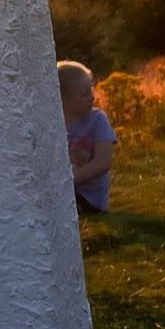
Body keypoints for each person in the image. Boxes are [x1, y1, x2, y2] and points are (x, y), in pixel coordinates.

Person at [58, 61, 117, 215]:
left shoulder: (98, 120)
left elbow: (103, 163)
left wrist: (69, 181)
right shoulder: (53, 124)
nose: (92, 97)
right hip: (61, 193)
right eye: (84, 94)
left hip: (90, 199)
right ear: (62, 98)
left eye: (91, 90)